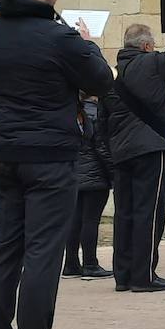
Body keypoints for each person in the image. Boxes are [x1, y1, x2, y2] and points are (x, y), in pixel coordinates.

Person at [0, 0, 113, 329]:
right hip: (51, 155)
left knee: (5, 247)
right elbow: (103, 81)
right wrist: (86, 43)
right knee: (43, 251)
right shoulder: (60, 37)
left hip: (8, 152)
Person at [103, 0, 165, 293]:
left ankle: (123, 275)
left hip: (121, 151)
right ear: (146, 46)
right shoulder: (154, 63)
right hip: (150, 149)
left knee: (125, 213)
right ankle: (143, 277)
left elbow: (103, 118)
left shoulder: (110, 73)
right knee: (149, 212)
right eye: (153, 44)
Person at [63, 95, 115, 280]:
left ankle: (70, 264)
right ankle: (90, 264)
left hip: (73, 172)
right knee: (91, 220)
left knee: (75, 220)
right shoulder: (95, 111)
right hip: (95, 173)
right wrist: (113, 173)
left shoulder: (70, 111)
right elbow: (101, 146)